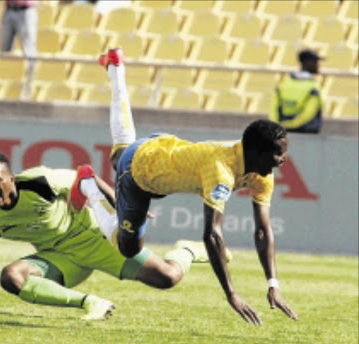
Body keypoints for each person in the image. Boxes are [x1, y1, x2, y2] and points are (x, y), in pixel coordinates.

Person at [79, 48, 298, 326]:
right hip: (140, 172)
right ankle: (89, 185)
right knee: (128, 249)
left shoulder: (261, 171)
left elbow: (263, 229)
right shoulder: (221, 171)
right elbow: (212, 236)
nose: (283, 160)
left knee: (119, 150)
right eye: (279, 153)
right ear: (258, 152)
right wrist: (231, 293)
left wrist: (273, 283)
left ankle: (116, 67)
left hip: (164, 146)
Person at [0, 152, 213, 320]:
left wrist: (122, 208)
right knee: (11, 277)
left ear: (11, 179)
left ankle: (187, 249)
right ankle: (90, 303)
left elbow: (86, 178)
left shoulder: (40, 182)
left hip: (97, 241)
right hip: (59, 260)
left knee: (168, 278)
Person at [270, 48, 324, 134]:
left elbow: (274, 108)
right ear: (308, 63)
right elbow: (309, 113)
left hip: (282, 132)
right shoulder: (314, 87)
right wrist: (294, 125)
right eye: (316, 62)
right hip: (307, 133)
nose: (318, 65)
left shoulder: (283, 84)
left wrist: (278, 126)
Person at [0, 0, 37, 97]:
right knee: (4, 52)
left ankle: (29, 86)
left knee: (28, 51)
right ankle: (3, 89)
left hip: (25, 10)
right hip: (9, 9)